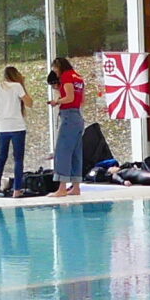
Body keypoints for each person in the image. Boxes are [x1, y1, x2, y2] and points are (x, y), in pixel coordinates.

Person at [0, 65, 30, 195]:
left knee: (1, 157)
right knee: (18, 159)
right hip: (17, 127)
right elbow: (29, 103)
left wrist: (1, 113)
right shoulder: (17, 86)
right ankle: (17, 190)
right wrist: (23, 86)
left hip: (2, 127)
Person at [49, 55, 88, 197]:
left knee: (62, 151)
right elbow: (82, 100)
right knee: (76, 153)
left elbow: (69, 97)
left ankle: (62, 188)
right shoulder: (78, 77)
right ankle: (76, 187)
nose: (55, 72)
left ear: (59, 67)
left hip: (69, 117)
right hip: (78, 116)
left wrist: (57, 101)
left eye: (55, 69)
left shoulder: (66, 76)